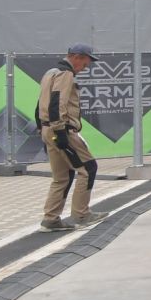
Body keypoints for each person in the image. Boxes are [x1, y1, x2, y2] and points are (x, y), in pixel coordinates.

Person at [37, 43, 103, 232]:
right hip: (62, 129)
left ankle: (51, 219)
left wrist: (42, 129)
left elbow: (40, 102)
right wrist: (60, 132)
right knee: (88, 167)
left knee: (62, 176)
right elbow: (58, 102)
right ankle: (82, 214)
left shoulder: (50, 72)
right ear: (76, 57)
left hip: (47, 129)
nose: (86, 66)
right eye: (86, 62)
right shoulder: (66, 74)